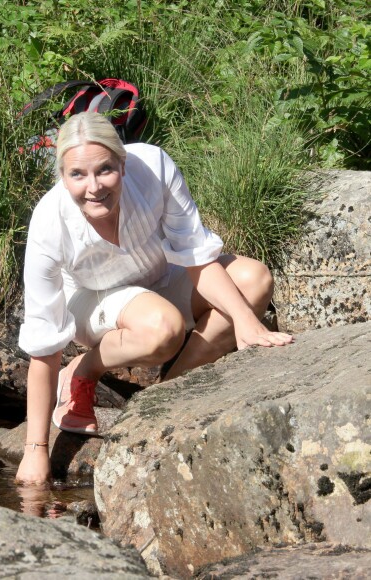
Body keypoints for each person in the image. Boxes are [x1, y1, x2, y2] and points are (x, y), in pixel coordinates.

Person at [15, 112, 293, 485]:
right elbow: (44, 344)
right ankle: (85, 369)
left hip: (161, 277)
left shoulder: (154, 167)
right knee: (164, 328)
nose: (94, 186)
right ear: (62, 176)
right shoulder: (49, 222)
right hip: (91, 299)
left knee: (254, 281)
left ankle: (164, 399)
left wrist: (247, 321)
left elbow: (196, 256)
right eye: (77, 175)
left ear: (123, 163)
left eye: (105, 170)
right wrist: (36, 451)